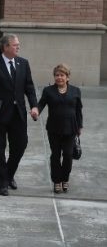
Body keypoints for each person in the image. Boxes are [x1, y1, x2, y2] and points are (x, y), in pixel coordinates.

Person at [0, 34, 38, 196]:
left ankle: (8, 174)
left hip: (18, 113)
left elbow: (29, 87)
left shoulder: (23, 63)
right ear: (5, 47)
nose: (18, 47)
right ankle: (2, 183)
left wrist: (34, 106)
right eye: (15, 45)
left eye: (18, 44)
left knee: (21, 144)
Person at [37, 64, 83, 194]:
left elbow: (78, 110)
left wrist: (79, 126)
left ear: (67, 77)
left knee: (68, 155)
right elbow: (41, 104)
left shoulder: (75, 91)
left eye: (62, 75)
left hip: (70, 129)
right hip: (54, 129)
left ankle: (65, 179)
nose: (59, 77)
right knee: (55, 155)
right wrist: (36, 111)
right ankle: (57, 181)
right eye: (57, 75)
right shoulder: (48, 91)